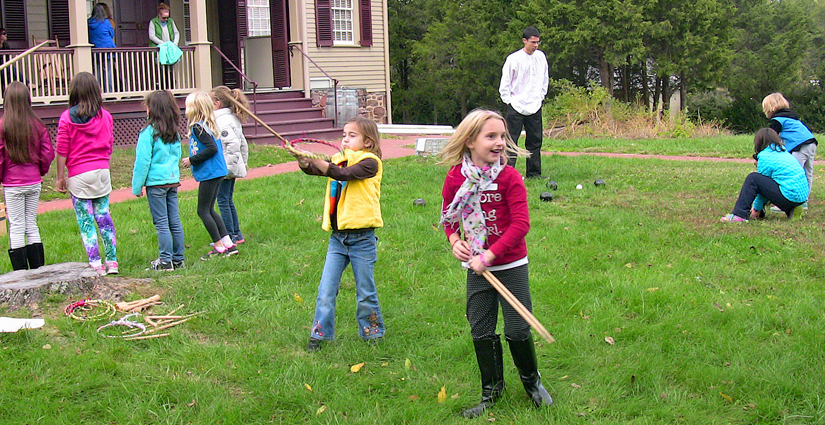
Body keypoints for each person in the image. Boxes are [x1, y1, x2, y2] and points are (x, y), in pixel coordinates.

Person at [439, 109, 553, 418]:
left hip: (510, 265)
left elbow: (521, 225)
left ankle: (532, 383)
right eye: (491, 136)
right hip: (477, 270)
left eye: (503, 136)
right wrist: (455, 243)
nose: (500, 142)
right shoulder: (455, 177)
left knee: (517, 329)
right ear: (470, 141)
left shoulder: (509, 177)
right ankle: (492, 392)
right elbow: (449, 218)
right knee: (481, 328)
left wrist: (489, 255)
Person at [293, 117, 386, 352]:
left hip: (362, 240)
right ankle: (320, 336)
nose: (345, 139)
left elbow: (343, 174)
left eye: (351, 135)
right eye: (344, 135)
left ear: (368, 142)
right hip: (337, 240)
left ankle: (372, 334)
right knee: (326, 290)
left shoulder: (370, 163)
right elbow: (319, 169)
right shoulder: (339, 160)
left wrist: (320, 162)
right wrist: (305, 162)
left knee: (365, 291)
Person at [55, 72, 118, 276]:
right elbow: (109, 143)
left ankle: (95, 263)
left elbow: (62, 149)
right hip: (102, 171)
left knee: (86, 221)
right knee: (104, 218)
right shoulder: (105, 115)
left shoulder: (67, 118)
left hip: (79, 174)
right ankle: (112, 261)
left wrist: (60, 176)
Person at [0, 82, 55, 270]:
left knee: (16, 226)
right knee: (31, 223)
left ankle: (21, 274)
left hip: (12, 183)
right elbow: (48, 153)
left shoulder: (2, 125)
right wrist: (40, 171)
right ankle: (38, 269)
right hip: (33, 181)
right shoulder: (38, 125)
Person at [131, 90, 185, 271]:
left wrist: (137, 186)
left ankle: (165, 260)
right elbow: (178, 155)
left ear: (152, 109)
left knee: (161, 222)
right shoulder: (174, 132)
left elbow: (143, 161)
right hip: (172, 180)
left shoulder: (148, 133)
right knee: (174, 221)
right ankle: (178, 258)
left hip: (156, 184)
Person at [181, 91, 238, 260]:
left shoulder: (198, 127)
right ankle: (228, 243)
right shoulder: (208, 125)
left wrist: (191, 160)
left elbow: (211, 149)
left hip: (211, 173)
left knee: (203, 211)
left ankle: (219, 246)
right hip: (217, 172)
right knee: (210, 209)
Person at [721, 128, 808, 223]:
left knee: (753, 178)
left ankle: (740, 215)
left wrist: (756, 210)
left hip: (788, 195)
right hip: (801, 197)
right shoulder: (784, 152)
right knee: (772, 183)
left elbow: (761, 188)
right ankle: (794, 209)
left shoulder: (765, 156)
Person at [499, 26, 548, 179]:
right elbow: (505, 83)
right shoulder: (513, 59)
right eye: (533, 42)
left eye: (538, 42)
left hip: (534, 105)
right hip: (516, 105)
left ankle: (534, 174)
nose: (536, 45)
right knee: (511, 141)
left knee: (535, 141)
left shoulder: (541, 57)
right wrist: (510, 101)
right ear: (524, 41)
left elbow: (544, 79)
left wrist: (540, 97)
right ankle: (507, 174)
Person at [762, 93, 817, 212]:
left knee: (794, 173)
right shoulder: (792, 117)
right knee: (807, 173)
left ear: (769, 108)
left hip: (799, 146)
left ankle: (791, 200)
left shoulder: (777, 120)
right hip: (811, 143)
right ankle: (804, 201)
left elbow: (770, 138)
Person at [211, 86, 249, 245]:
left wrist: (227, 169)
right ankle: (236, 234)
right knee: (227, 199)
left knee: (222, 200)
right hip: (230, 166)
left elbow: (233, 145)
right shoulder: (230, 118)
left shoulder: (222, 121)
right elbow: (243, 145)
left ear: (217, 103)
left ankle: (231, 235)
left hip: (226, 168)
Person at [149, 3, 180, 89]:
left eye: (167, 17)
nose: (166, 19)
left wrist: (174, 43)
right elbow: (152, 36)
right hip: (160, 49)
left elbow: (176, 33)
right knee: (161, 70)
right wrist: (162, 43)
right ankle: (162, 88)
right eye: (164, 17)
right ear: (159, 14)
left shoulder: (170, 21)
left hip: (169, 49)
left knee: (171, 70)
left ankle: (171, 87)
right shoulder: (153, 22)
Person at [88, 3, 117, 92]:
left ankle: (97, 92)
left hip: (95, 50)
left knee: (97, 72)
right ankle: (109, 92)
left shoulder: (88, 22)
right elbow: (112, 34)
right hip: (107, 50)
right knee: (108, 72)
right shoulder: (106, 22)